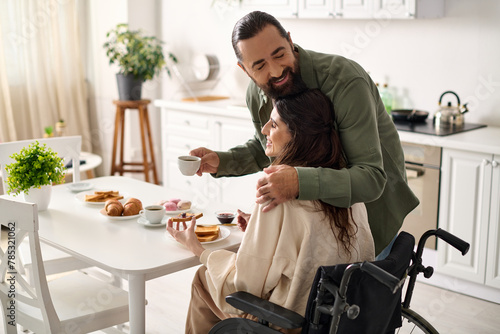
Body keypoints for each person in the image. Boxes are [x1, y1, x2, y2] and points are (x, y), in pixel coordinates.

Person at [190, 11, 419, 257]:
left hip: (370, 218)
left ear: (290, 41)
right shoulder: (256, 95)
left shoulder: (345, 82)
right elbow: (270, 146)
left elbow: (371, 178)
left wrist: (298, 181)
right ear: (245, 70)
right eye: (260, 65)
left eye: (280, 54)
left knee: (359, 294)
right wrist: (223, 161)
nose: (276, 71)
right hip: (315, 228)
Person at [168, 89, 374, 333]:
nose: (264, 130)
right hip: (342, 320)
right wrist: (261, 228)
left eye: (274, 124)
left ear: (298, 136)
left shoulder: (276, 193)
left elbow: (243, 285)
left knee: (204, 278)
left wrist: (197, 248)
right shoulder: (347, 186)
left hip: (290, 323)